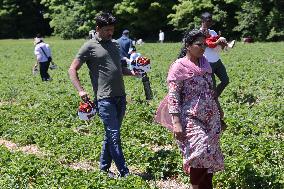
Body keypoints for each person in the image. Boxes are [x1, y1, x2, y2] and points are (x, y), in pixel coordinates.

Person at [68, 12, 137, 177]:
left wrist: (134, 72)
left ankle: (103, 170)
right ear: (98, 28)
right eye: (107, 30)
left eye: (112, 29)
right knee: (114, 135)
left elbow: (120, 69)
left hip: (120, 96)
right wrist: (81, 90)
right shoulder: (89, 46)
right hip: (104, 98)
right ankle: (124, 172)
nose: (110, 33)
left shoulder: (115, 45)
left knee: (110, 134)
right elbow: (72, 69)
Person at [155, 29, 224, 189]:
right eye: (199, 45)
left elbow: (210, 89)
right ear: (188, 46)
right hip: (190, 117)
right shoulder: (179, 67)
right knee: (199, 151)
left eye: (204, 45)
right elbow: (173, 96)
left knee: (210, 154)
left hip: (211, 117)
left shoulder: (205, 63)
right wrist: (176, 122)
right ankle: (195, 186)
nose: (203, 48)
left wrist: (219, 110)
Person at [200, 12, 229, 97]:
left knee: (225, 80)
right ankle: (213, 101)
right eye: (208, 21)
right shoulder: (198, 33)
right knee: (212, 86)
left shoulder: (213, 32)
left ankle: (214, 97)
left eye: (210, 21)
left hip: (217, 61)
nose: (210, 23)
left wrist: (223, 45)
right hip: (207, 63)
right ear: (202, 21)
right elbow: (207, 45)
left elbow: (218, 47)